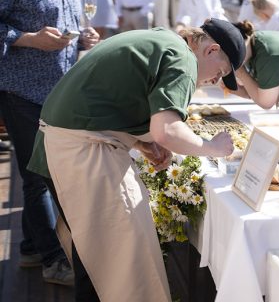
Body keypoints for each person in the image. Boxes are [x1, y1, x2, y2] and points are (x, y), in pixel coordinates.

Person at [28, 19, 245, 301]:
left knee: (94, 257)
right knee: (113, 261)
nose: (213, 81)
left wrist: (142, 142)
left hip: (60, 144)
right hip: (78, 151)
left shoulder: (162, 40)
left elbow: (116, 96)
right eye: (219, 72)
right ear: (211, 50)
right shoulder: (182, 58)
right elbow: (167, 130)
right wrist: (213, 147)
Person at [0, 0, 100, 286]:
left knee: (37, 174)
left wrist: (85, 37)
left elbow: (69, 27)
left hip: (58, 92)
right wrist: (29, 39)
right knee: (38, 175)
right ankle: (53, 258)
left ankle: (29, 248)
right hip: (21, 91)